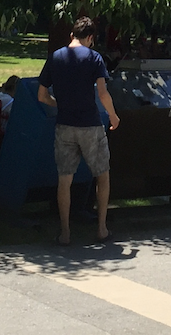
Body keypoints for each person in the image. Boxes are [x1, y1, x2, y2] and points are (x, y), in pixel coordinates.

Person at [37, 16, 120, 246]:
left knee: (65, 180)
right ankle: (102, 229)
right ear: (91, 38)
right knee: (102, 175)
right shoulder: (94, 58)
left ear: (72, 35)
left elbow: (42, 95)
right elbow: (102, 93)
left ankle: (65, 232)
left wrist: (59, 103)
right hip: (90, 125)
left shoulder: (55, 57)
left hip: (65, 125)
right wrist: (113, 116)